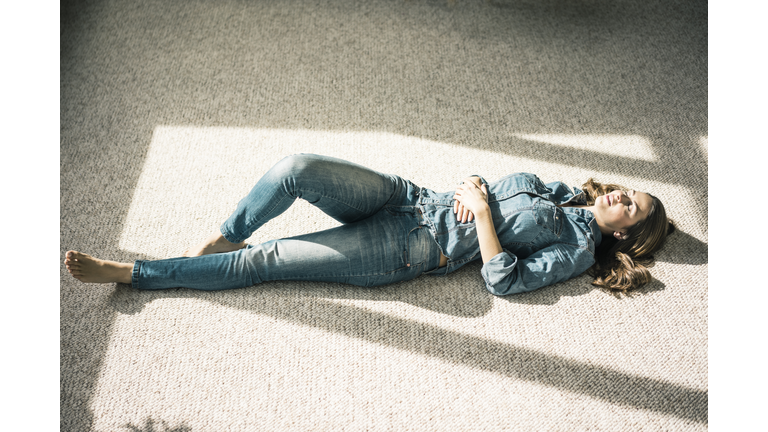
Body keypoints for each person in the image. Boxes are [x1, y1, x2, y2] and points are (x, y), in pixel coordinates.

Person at [65, 154, 674, 295]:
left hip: (410, 246)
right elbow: (482, 184)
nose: (623, 195)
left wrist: (485, 213)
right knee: (296, 169)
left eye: (633, 207)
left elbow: (503, 279)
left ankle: (135, 273)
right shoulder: (561, 190)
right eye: (630, 191)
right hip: (411, 197)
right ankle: (228, 232)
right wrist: (474, 184)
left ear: (624, 234)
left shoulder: (575, 250)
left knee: (268, 261)